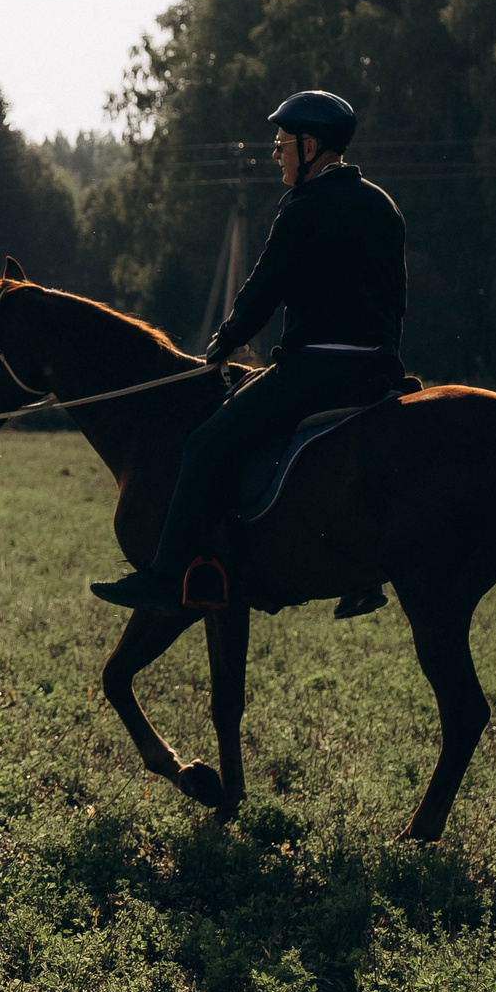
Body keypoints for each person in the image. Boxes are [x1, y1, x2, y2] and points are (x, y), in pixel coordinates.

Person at [90, 89, 405, 616]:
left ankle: (168, 576)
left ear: (310, 147)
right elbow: (397, 300)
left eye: (282, 142)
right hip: (375, 368)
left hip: (315, 371)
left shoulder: (304, 208)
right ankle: (359, 573)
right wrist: (385, 360)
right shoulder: (383, 205)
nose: (276, 152)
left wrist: (228, 338)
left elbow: (265, 286)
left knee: (207, 443)